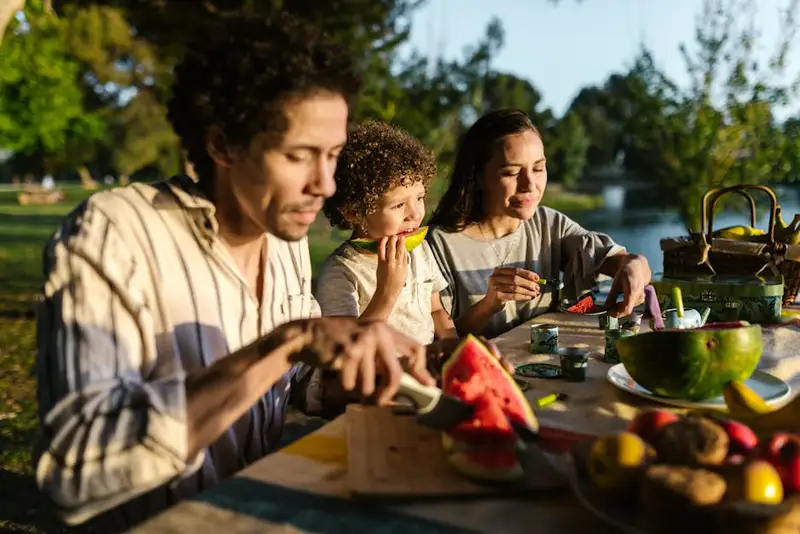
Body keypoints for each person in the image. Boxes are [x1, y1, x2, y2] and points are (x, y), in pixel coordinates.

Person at [32, 13, 446, 532]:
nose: (327, 186)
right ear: (224, 144)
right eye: (299, 156)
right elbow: (76, 471)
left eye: (334, 157)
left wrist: (407, 369)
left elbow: (304, 384)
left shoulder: (285, 240)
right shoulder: (112, 236)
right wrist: (288, 342)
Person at [426, 108, 652, 339]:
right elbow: (443, 339)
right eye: (512, 172)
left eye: (538, 168)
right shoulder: (440, 244)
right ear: (477, 177)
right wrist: (490, 303)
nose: (529, 184)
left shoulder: (549, 224)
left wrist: (635, 263)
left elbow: (608, 258)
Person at [315, 120, 457, 346]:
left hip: (423, 370)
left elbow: (436, 310)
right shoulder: (342, 272)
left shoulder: (420, 249)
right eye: (398, 205)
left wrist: (454, 345)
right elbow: (348, 348)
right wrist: (386, 292)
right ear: (354, 212)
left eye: (419, 198)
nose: (415, 213)